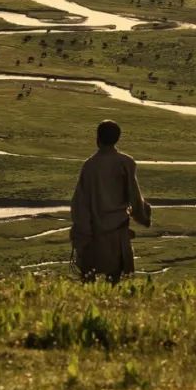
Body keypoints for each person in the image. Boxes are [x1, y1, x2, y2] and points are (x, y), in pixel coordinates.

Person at [70, 120, 152, 282]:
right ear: (117, 139)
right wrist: (144, 216)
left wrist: (82, 234)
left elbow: (80, 204)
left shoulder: (89, 166)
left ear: (97, 138)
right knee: (116, 280)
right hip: (118, 233)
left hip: (94, 235)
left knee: (89, 280)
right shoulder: (126, 163)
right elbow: (135, 197)